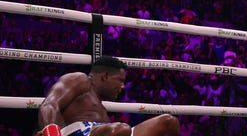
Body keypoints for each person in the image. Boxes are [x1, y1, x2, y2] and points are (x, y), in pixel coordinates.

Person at [37, 55, 179, 136]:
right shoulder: (80, 79)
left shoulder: (98, 102)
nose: (122, 87)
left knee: (168, 121)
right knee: (121, 129)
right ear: (105, 76)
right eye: (120, 81)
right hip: (77, 132)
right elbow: (50, 105)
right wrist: (52, 134)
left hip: (111, 132)